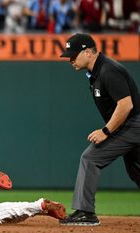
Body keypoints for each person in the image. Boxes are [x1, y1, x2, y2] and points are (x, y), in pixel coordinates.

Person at [59, 33, 140, 226]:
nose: (70, 59)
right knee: (137, 171)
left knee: (90, 158)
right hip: (132, 125)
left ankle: (85, 213)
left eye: (73, 54)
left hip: (134, 124)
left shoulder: (108, 70)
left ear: (88, 52)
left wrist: (105, 131)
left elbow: (125, 105)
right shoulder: (98, 71)